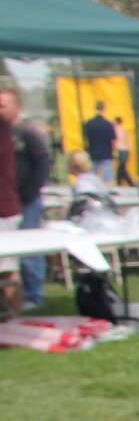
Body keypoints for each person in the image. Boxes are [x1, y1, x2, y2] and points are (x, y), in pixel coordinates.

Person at [3, 88, 53, 309]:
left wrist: (30, 192)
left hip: (27, 200)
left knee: (28, 252)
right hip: (10, 200)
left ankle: (34, 295)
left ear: (17, 108)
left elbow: (43, 163)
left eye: (3, 105)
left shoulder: (27, 133)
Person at [0, 92, 20, 306]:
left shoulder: (4, 134)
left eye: (2, 105)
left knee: (7, 269)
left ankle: (14, 316)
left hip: (4, 210)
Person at [82, 100, 116, 183]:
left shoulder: (89, 123)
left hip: (93, 151)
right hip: (106, 152)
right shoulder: (108, 124)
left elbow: (85, 138)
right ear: (104, 108)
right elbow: (113, 140)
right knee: (107, 177)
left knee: (92, 175)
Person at [112, 115, 135, 186]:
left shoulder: (115, 130)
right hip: (126, 150)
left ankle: (130, 183)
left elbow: (115, 141)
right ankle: (120, 183)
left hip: (120, 151)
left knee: (121, 169)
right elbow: (127, 141)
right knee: (121, 168)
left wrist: (114, 152)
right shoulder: (124, 130)